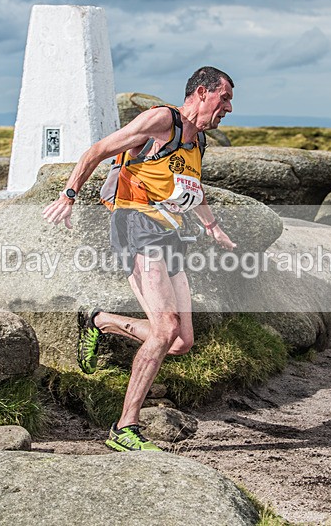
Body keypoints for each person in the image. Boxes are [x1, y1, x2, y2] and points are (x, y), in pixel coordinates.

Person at [43, 66, 236, 452]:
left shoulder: (197, 142)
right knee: (165, 328)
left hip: (171, 233)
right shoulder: (162, 120)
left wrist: (212, 226)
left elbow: (192, 189)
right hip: (136, 226)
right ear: (202, 92)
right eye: (225, 97)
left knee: (181, 341)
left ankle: (101, 321)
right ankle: (124, 427)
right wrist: (69, 194)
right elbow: (97, 151)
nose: (229, 108)